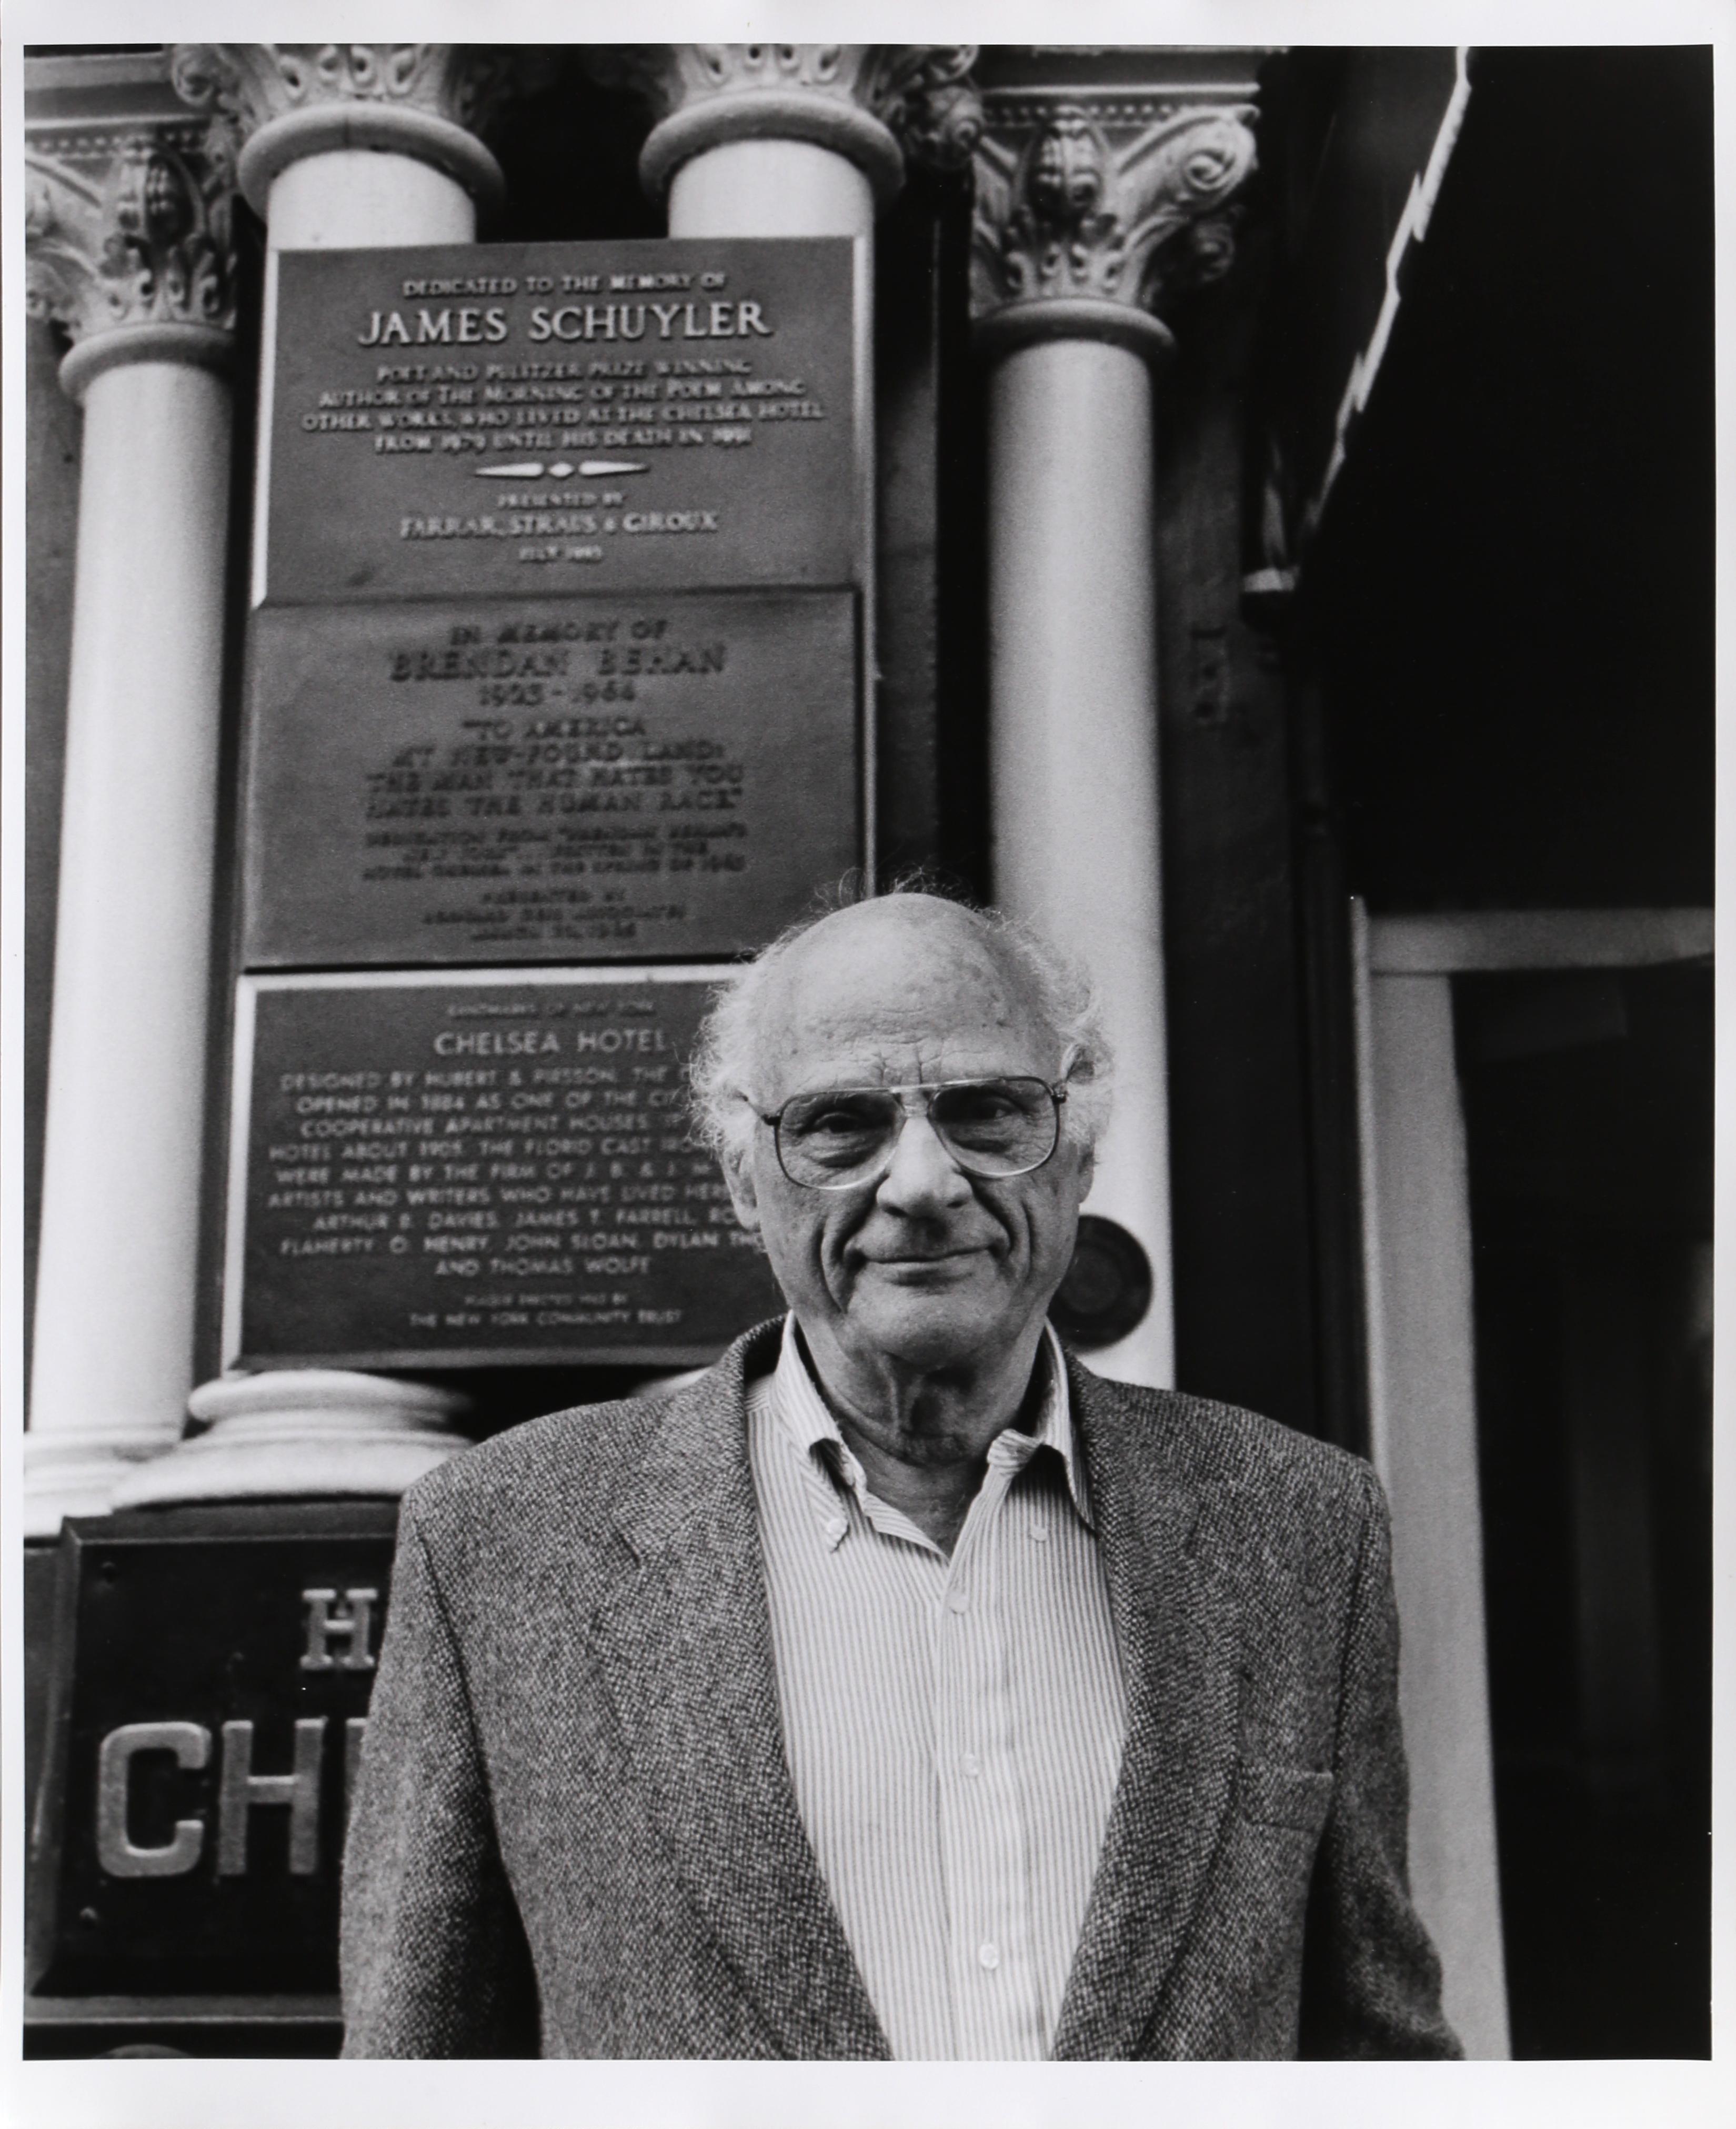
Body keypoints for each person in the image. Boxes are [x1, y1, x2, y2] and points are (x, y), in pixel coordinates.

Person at [339, 890, 1460, 2061]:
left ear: (1078, 1152)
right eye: (842, 1123)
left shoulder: (1299, 1530)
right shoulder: (504, 1542)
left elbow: (1376, 2050)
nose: (923, 1183)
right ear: (744, 1179)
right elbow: (414, 2072)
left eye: (987, 1111)